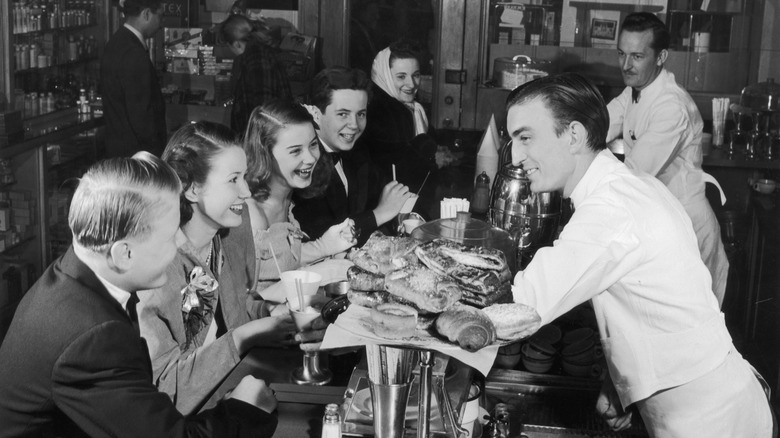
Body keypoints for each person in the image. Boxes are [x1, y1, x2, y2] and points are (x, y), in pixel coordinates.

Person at [508, 72, 772, 437]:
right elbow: (655, 305)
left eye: (525, 137)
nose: (515, 156)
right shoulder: (629, 184)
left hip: (711, 420)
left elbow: (522, 305)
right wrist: (620, 381)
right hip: (710, 399)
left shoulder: (610, 209)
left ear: (573, 135)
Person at [0, 153, 278, 437]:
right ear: (124, 254)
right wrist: (244, 409)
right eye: (170, 236)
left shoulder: (79, 273)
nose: (179, 245)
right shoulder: (93, 338)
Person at [137, 121, 301, 415]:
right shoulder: (157, 269)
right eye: (233, 179)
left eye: (246, 177)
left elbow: (230, 306)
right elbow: (165, 391)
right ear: (192, 189)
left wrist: (269, 315)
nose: (246, 191)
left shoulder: (230, 233)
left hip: (232, 386)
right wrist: (247, 335)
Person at [606, 12, 729, 307]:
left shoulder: (671, 106)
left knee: (687, 329)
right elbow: (597, 123)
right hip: (660, 221)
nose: (625, 65)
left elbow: (634, 174)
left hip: (686, 226)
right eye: (621, 54)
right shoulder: (637, 88)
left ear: (661, 56)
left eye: (636, 56)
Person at [243, 100, 357, 294]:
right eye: (296, 150)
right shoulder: (252, 215)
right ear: (265, 154)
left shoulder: (288, 200)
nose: (311, 158)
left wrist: (325, 246)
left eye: (313, 145)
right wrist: (324, 270)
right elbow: (244, 303)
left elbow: (279, 261)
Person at [293, 67, 412, 246]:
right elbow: (323, 237)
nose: (354, 125)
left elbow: (394, 195)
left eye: (361, 114)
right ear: (316, 114)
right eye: (343, 114)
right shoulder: (303, 165)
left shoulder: (358, 154)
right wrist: (379, 214)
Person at [359, 39, 457, 194]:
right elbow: (398, 168)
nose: (411, 84)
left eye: (416, 75)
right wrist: (432, 156)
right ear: (383, 76)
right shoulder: (377, 112)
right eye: (401, 77)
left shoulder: (412, 109)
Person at [100, 0, 167, 157]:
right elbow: (142, 114)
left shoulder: (116, 42)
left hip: (119, 149)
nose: (161, 24)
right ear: (146, 14)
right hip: (138, 155)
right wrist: (155, 156)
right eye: (160, 16)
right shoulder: (133, 53)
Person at [219, 14, 293, 135]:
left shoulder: (255, 57)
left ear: (236, 44)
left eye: (230, 47)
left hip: (265, 136)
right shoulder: (262, 51)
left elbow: (262, 105)